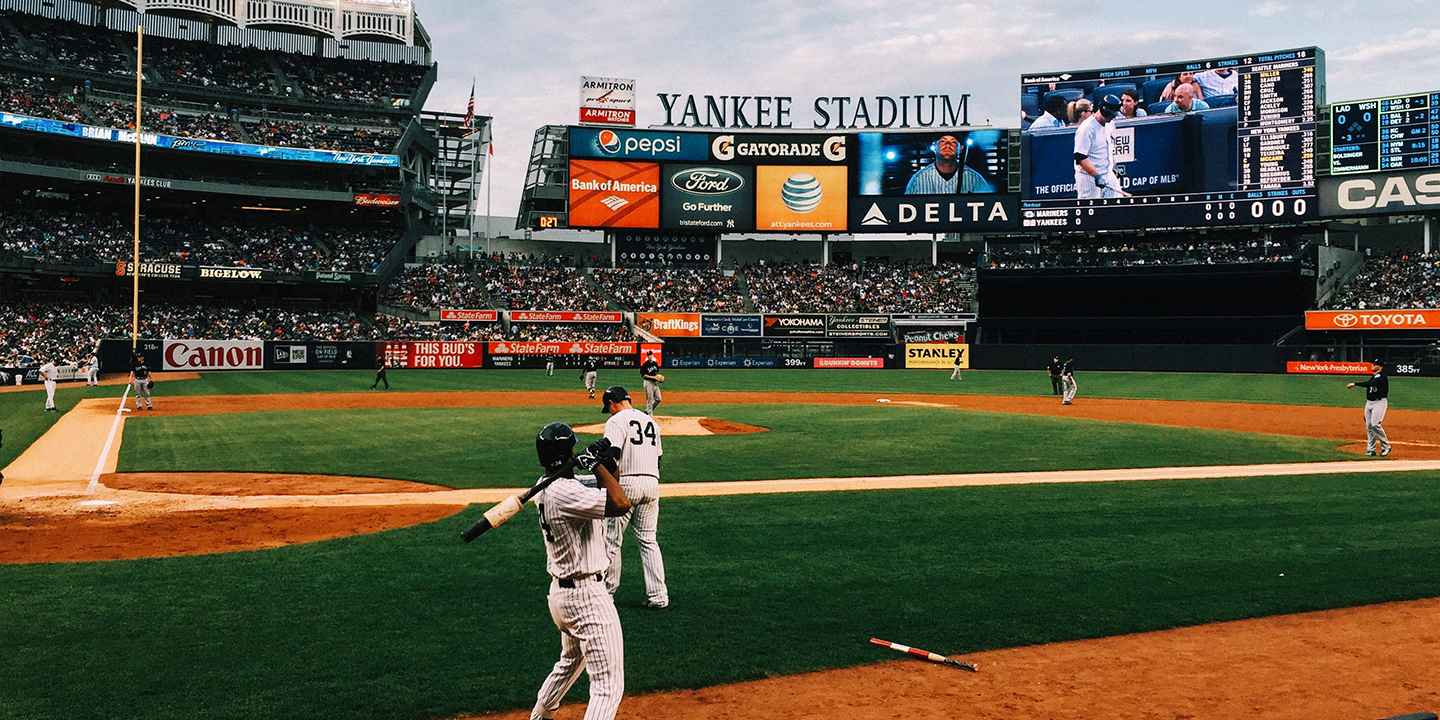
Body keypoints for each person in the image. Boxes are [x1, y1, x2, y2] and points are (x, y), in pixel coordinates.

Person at [528, 422, 632, 720]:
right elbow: (620, 502)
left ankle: (539, 716)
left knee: (570, 662)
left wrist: (606, 464)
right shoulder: (566, 493)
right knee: (607, 686)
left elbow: (607, 486)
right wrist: (596, 465)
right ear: (566, 454)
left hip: (562, 596)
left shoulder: (548, 486)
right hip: (586, 599)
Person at [600, 385, 669, 610]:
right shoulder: (651, 422)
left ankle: (607, 594)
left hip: (627, 484)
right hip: (652, 483)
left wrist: (608, 484)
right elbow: (659, 458)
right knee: (649, 541)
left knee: (612, 541)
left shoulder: (616, 421)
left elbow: (612, 457)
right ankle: (659, 596)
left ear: (612, 403)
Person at [1074, 95, 1122, 199]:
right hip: (1088, 178)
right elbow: (1081, 157)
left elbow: (1109, 148)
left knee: (1118, 205)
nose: (1113, 117)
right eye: (1111, 115)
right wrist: (1096, 175)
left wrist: (1113, 166)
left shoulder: (1110, 124)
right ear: (1105, 111)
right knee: (1091, 207)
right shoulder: (1087, 128)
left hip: (1108, 174)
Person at [905, 134, 987, 194]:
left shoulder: (975, 179)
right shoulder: (918, 179)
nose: (947, 145)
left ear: (961, 148)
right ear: (934, 146)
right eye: (942, 141)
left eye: (953, 142)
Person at [1347, 360, 1391, 456]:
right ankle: (1371, 449)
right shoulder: (1374, 377)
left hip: (1379, 402)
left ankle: (1386, 447)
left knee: (1375, 424)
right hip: (1369, 403)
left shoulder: (1382, 377)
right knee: (1369, 427)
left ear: (1380, 367)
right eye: (1373, 364)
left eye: (1375, 365)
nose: (1373, 366)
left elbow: (1371, 384)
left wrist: (1355, 384)